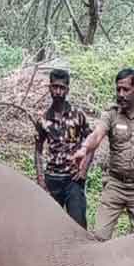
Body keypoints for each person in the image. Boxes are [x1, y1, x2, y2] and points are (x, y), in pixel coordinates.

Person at [71, 68, 134, 241]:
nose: (121, 94)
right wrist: (84, 148)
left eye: (126, 89)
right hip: (116, 185)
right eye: (118, 89)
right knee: (99, 237)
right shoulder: (111, 114)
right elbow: (97, 134)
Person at [34, 68, 93, 228]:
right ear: (49, 88)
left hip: (72, 179)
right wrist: (40, 179)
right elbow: (38, 150)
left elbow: (91, 143)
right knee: (48, 227)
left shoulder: (78, 115)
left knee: (79, 225)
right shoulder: (43, 119)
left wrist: (83, 170)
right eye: (55, 87)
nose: (58, 92)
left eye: (62, 88)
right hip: (51, 179)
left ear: (67, 90)